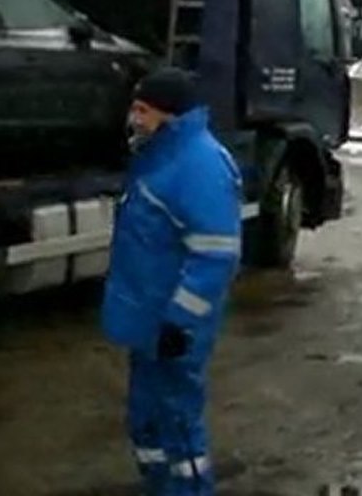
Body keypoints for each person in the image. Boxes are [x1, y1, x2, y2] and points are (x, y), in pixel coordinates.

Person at [101, 66, 242, 496]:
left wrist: (179, 322)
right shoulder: (161, 157)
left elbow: (215, 256)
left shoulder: (198, 165)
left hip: (173, 327)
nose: (134, 118)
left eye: (142, 110)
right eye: (134, 108)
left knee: (178, 425)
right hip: (150, 323)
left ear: (168, 114)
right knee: (147, 420)